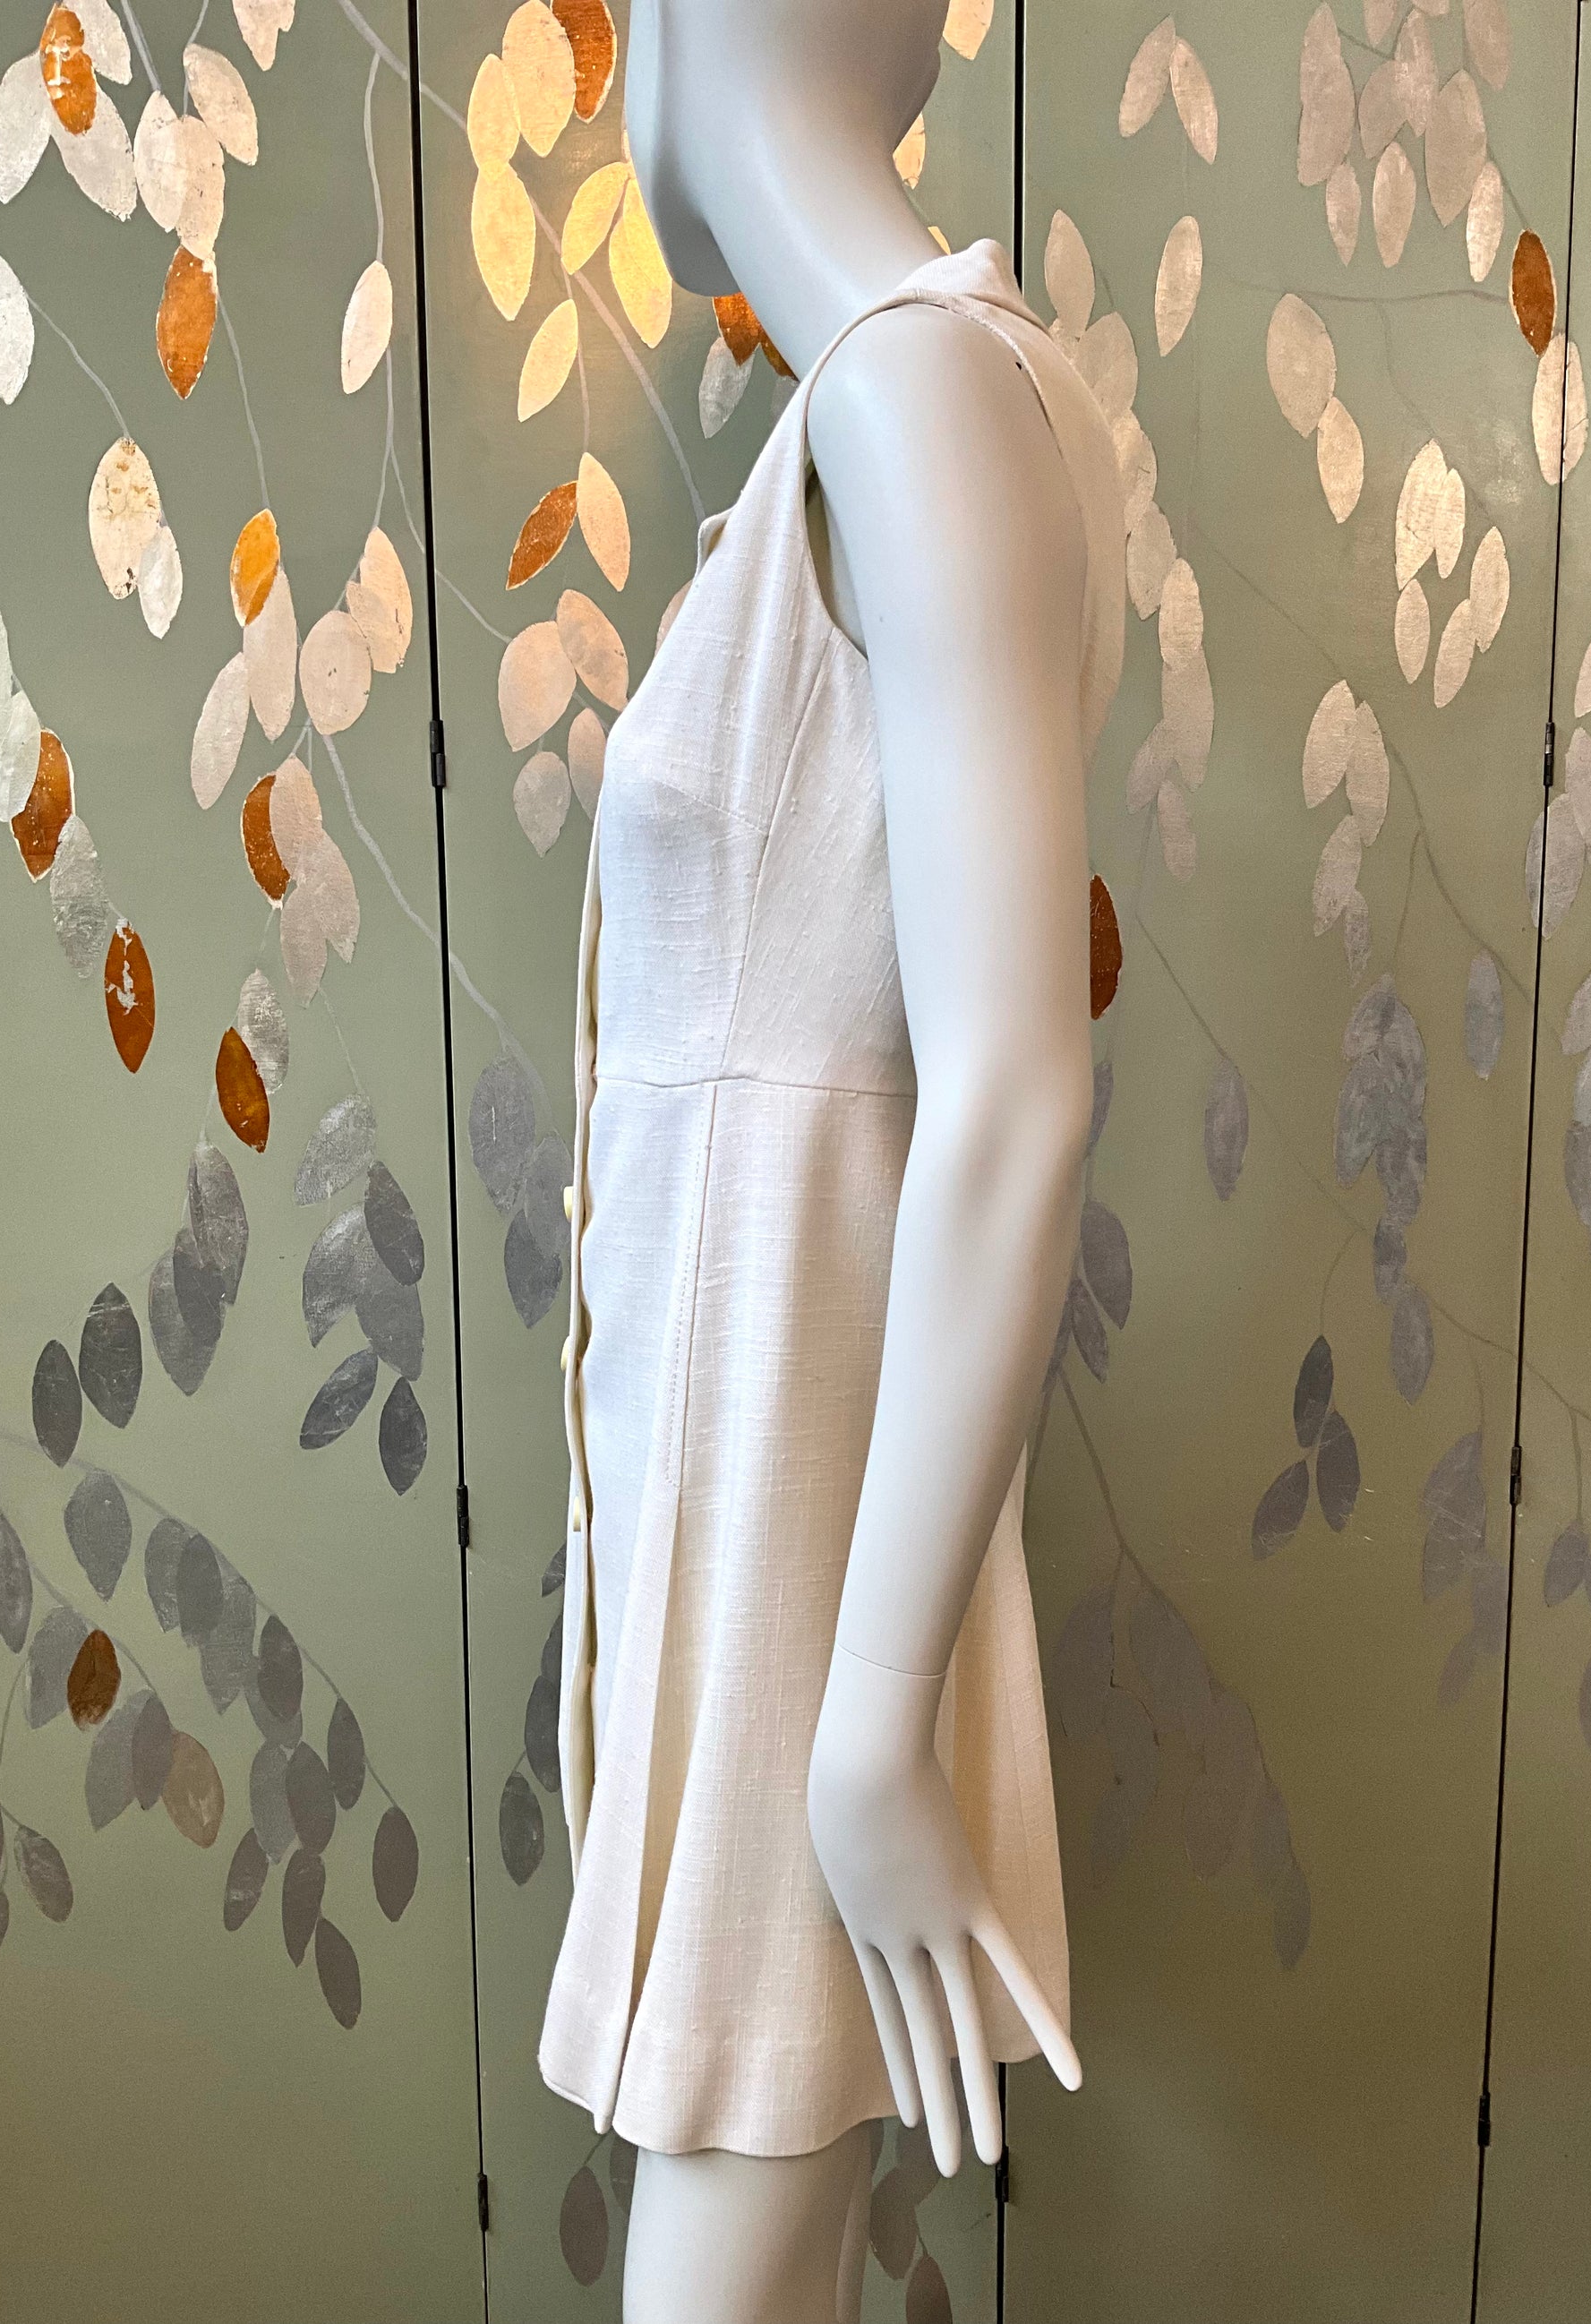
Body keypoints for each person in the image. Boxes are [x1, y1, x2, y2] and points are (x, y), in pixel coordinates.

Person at [538, 0, 1125, 2314]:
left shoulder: (916, 396)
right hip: (759, 1498)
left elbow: (1015, 1089)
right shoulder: (892, 404)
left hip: (804, 1526)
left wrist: (871, 1716)